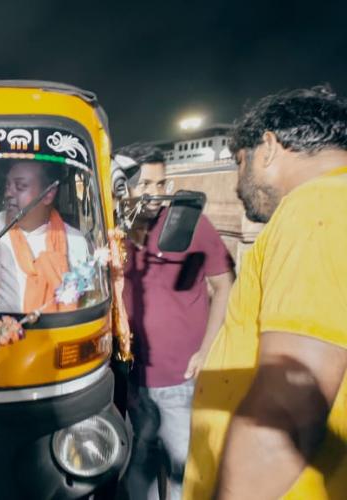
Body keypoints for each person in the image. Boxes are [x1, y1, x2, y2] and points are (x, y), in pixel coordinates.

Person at [183, 86, 347, 500]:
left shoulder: (317, 208)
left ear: (269, 147)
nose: (239, 184)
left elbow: (289, 404)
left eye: (240, 164)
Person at [115, 144, 234, 500]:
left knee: (184, 469)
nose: (156, 195)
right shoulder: (111, 228)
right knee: (138, 463)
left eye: (161, 185)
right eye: (146, 185)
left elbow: (224, 285)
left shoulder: (190, 223)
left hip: (180, 378)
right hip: (132, 378)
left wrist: (207, 349)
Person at [0, 161, 90, 312]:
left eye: (20, 187)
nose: (9, 193)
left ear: (48, 194)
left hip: (60, 333)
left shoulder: (75, 242)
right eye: (8, 186)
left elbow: (86, 305)